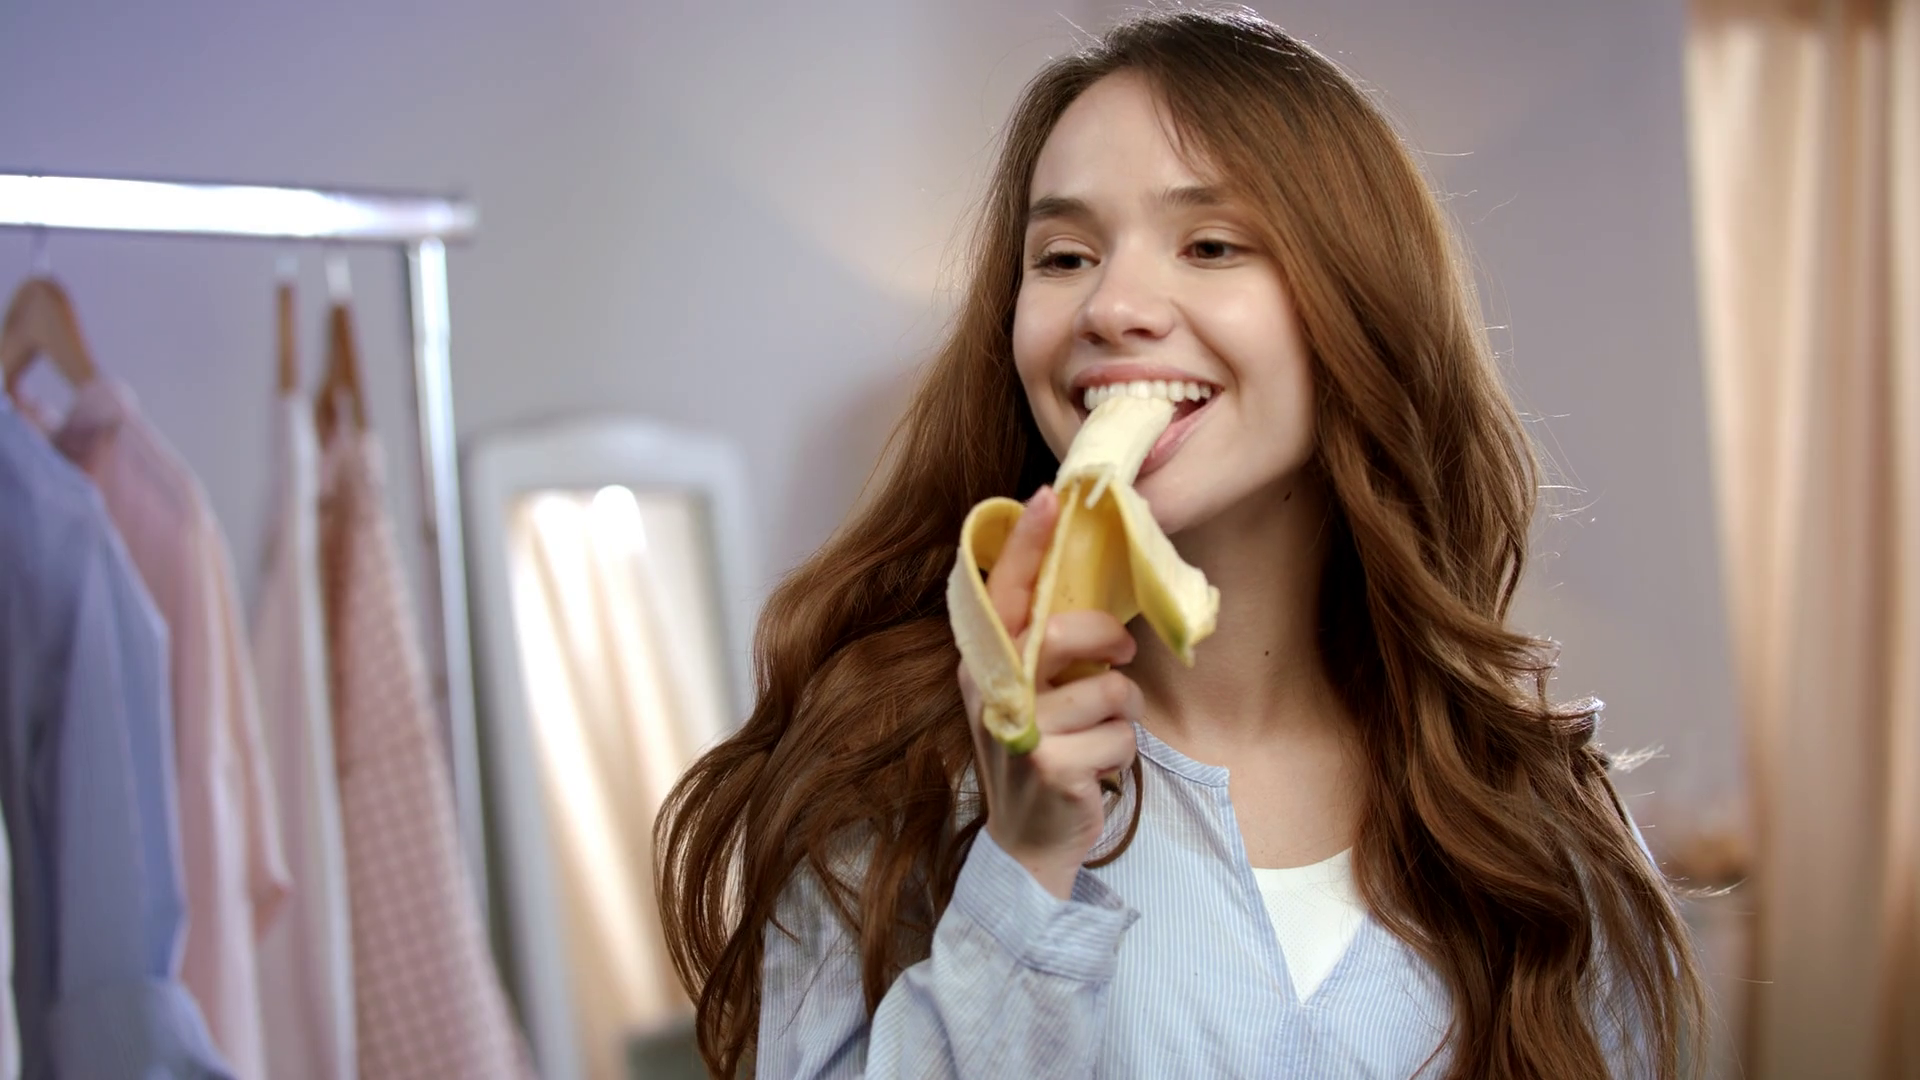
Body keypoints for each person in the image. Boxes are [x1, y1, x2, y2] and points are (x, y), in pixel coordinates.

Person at [655, 8, 1707, 1078]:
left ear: (1360, 307)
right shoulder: (888, 772)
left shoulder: (1534, 813)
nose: (1111, 307)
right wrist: (1024, 865)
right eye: (1064, 256)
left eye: (1210, 245)